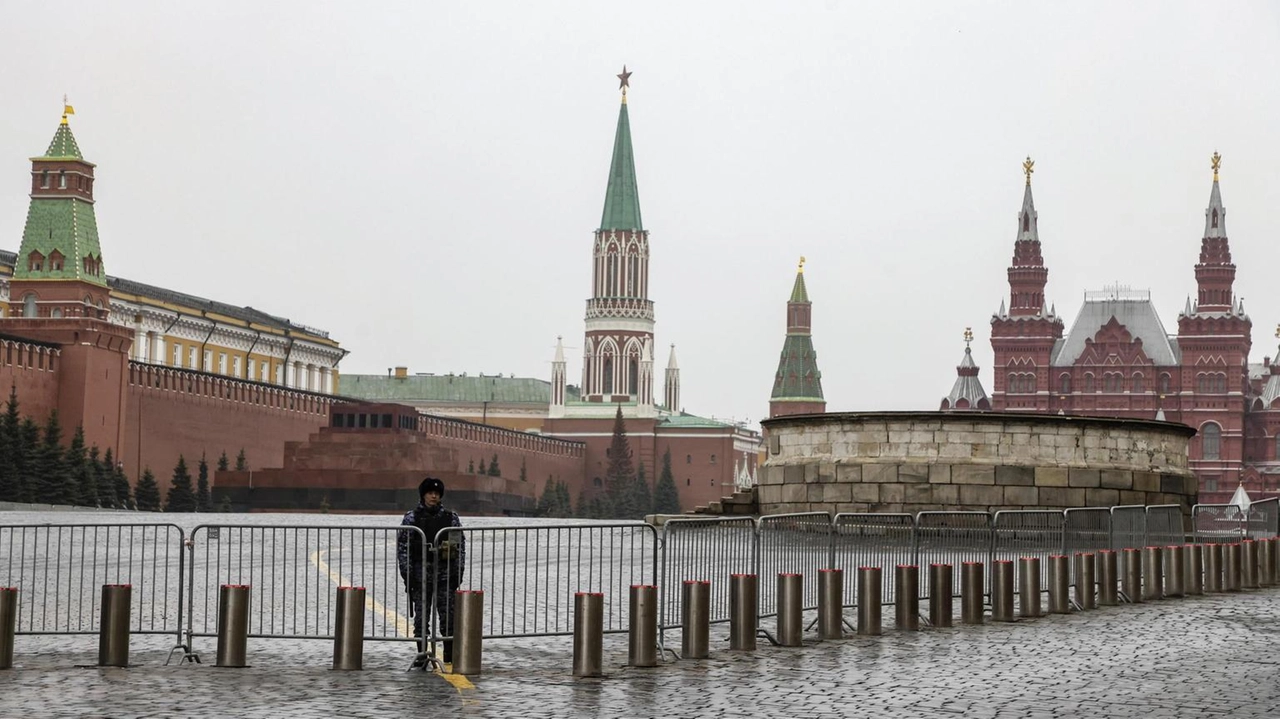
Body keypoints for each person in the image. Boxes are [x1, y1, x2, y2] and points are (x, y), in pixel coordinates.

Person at [396, 476, 466, 666]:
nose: (434, 497)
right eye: (430, 493)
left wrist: (457, 573)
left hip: (445, 577)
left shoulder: (451, 518)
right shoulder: (411, 518)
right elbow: (404, 549)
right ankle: (422, 655)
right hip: (420, 577)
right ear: (423, 495)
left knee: (449, 618)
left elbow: (459, 547)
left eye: (436, 493)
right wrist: (408, 575)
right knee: (421, 620)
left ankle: (450, 655)